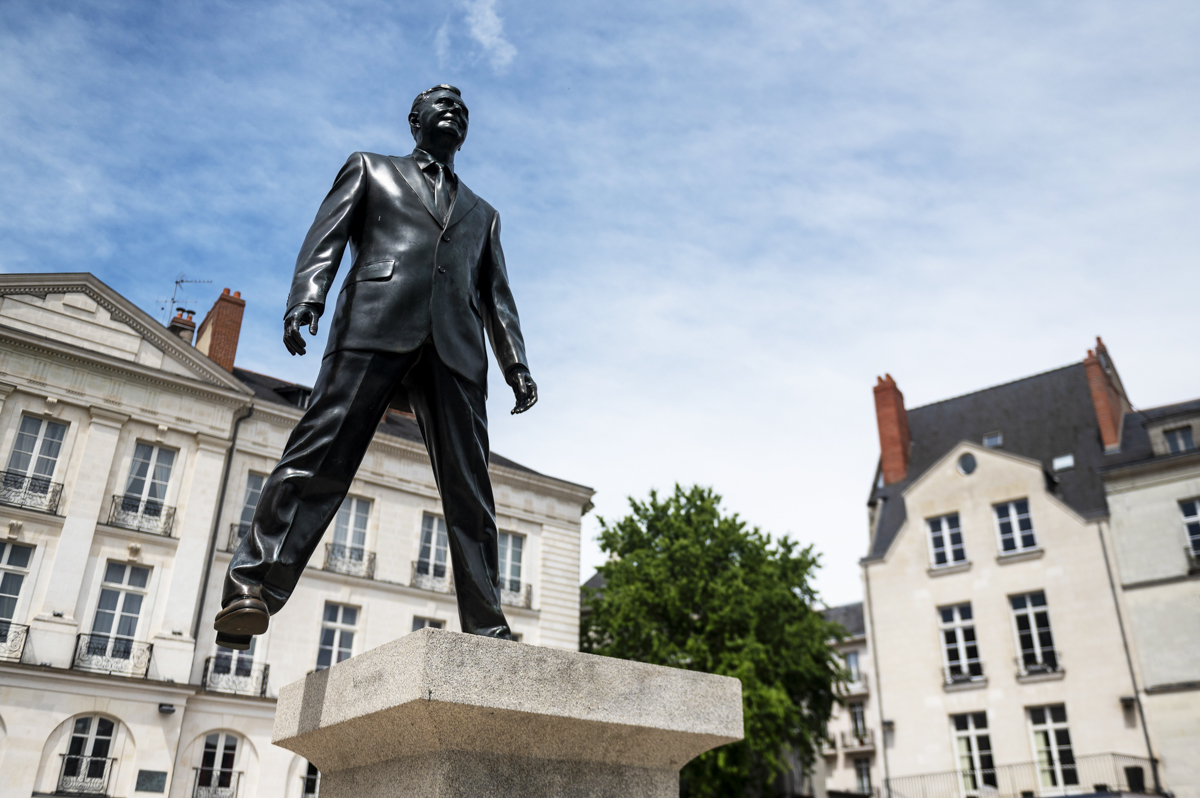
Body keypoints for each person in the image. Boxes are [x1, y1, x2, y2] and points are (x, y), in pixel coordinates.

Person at [213, 84, 537, 650]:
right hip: (375, 320)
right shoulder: (370, 168)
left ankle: (487, 624)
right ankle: (251, 590)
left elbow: (497, 297)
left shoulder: (484, 216)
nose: (454, 111)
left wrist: (516, 364)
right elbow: (327, 237)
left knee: (471, 491)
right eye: (441, 104)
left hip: (457, 348)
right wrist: (306, 298)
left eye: (462, 108)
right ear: (415, 121)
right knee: (319, 453)